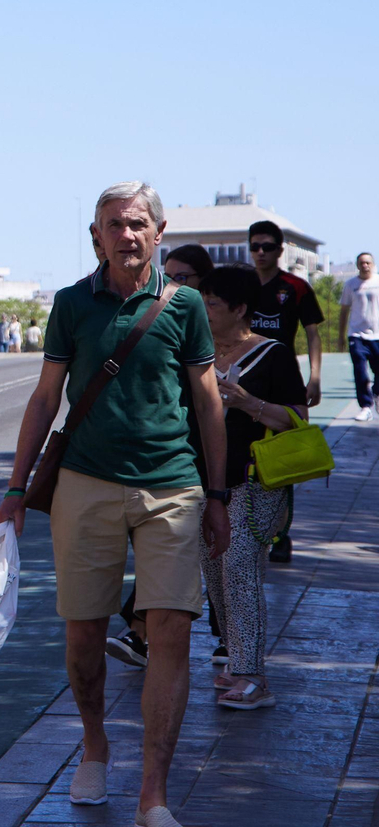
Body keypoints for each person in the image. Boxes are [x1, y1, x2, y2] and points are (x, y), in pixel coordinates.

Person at [0, 182, 227, 827]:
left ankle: (153, 794)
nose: (125, 235)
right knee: (84, 635)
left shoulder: (183, 305)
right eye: (112, 225)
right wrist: (16, 489)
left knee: (170, 632)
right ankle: (94, 744)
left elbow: (208, 404)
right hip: (85, 484)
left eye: (135, 224)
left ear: (158, 232)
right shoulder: (72, 303)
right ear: (95, 235)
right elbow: (46, 399)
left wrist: (217, 495)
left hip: (173, 487)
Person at [197, 266, 307, 710]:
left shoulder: (274, 356)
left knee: (239, 565)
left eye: (212, 304)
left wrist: (248, 403)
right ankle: (236, 657)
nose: (204, 311)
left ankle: (251, 674)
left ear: (240, 309)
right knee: (215, 573)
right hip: (206, 483)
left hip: (255, 482)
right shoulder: (197, 353)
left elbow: (297, 418)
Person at [106, 243, 221, 670]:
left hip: (192, 466)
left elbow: (210, 405)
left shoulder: (191, 317)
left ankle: (225, 642)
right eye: (169, 275)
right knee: (164, 566)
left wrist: (218, 493)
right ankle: (140, 632)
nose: (174, 284)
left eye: (184, 277)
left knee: (206, 569)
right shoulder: (147, 310)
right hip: (143, 466)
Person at [245, 220, 322, 564]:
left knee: (282, 453)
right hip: (246, 378)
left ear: (280, 250)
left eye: (267, 247)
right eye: (255, 246)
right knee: (245, 452)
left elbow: (313, 333)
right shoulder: (241, 284)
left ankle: (281, 532)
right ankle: (248, 523)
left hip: (285, 378)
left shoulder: (295, 287)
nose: (260, 253)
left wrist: (315, 377)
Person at [341, 252, 379, 422]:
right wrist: (342, 335)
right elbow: (344, 310)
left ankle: (376, 394)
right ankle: (365, 406)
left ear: (373, 264)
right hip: (356, 335)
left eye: (368, 263)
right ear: (357, 265)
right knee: (360, 371)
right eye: (362, 263)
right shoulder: (350, 285)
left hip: (377, 335)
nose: (365, 266)